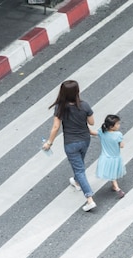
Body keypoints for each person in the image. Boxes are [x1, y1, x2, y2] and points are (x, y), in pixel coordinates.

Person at [42, 80, 97, 211]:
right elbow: (92, 122)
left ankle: (89, 198)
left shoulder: (60, 107)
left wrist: (49, 143)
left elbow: (56, 127)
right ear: (77, 91)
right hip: (85, 139)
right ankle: (77, 182)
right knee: (79, 163)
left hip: (70, 143)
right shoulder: (84, 105)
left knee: (79, 169)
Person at [92, 114, 126, 198]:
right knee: (113, 174)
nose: (119, 125)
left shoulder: (102, 132)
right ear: (111, 126)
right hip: (115, 157)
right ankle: (118, 189)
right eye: (117, 124)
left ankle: (114, 186)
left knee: (111, 173)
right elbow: (122, 146)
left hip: (105, 157)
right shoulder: (118, 134)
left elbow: (92, 132)